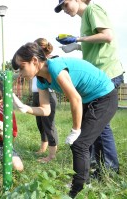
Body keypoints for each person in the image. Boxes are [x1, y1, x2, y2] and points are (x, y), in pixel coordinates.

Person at [12, 42, 117, 198]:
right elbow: (45, 110)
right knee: (83, 143)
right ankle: (84, 180)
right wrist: (24, 108)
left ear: (34, 60)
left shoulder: (56, 67)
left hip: (105, 96)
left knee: (79, 143)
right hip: (90, 98)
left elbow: (75, 99)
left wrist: (76, 130)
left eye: (21, 67)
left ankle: (76, 191)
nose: (20, 73)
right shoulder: (41, 80)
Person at [54, 0, 124, 177]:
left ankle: (109, 169)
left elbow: (107, 36)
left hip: (107, 73)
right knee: (94, 122)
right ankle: (97, 164)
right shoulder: (84, 18)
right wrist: (77, 46)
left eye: (66, 4)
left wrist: (78, 39)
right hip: (98, 75)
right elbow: (95, 43)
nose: (64, 9)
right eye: (61, 7)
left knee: (99, 123)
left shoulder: (93, 9)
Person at [32, 38, 58, 163]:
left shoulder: (50, 60)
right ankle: (43, 148)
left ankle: (52, 155)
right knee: (40, 124)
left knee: (49, 124)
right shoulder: (33, 61)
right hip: (36, 94)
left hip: (48, 94)